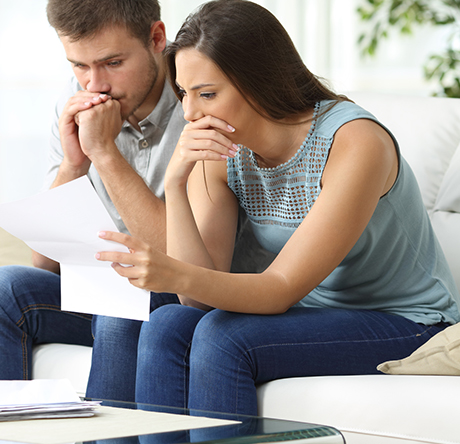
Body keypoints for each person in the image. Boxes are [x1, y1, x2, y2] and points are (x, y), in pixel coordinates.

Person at [94, 0, 460, 416]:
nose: (191, 112)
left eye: (207, 94)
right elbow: (196, 299)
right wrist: (176, 184)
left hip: (409, 323)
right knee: (163, 322)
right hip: (311, 314)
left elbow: (280, 287)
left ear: (258, 81)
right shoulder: (220, 149)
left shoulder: (355, 142)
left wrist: (170, 270)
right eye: (184, 93)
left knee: (220, 336)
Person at [0, 0, 271, 402]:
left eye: (112, 63)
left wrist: (105, 154)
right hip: (102, 289)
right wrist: (74, 164)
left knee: (125, 301)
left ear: (157, 38)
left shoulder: (201, 101)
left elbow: (184, 269)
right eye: (79, 66)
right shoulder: (77, 104)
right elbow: (45, 264)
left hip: (182, 290)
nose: (94, 86)